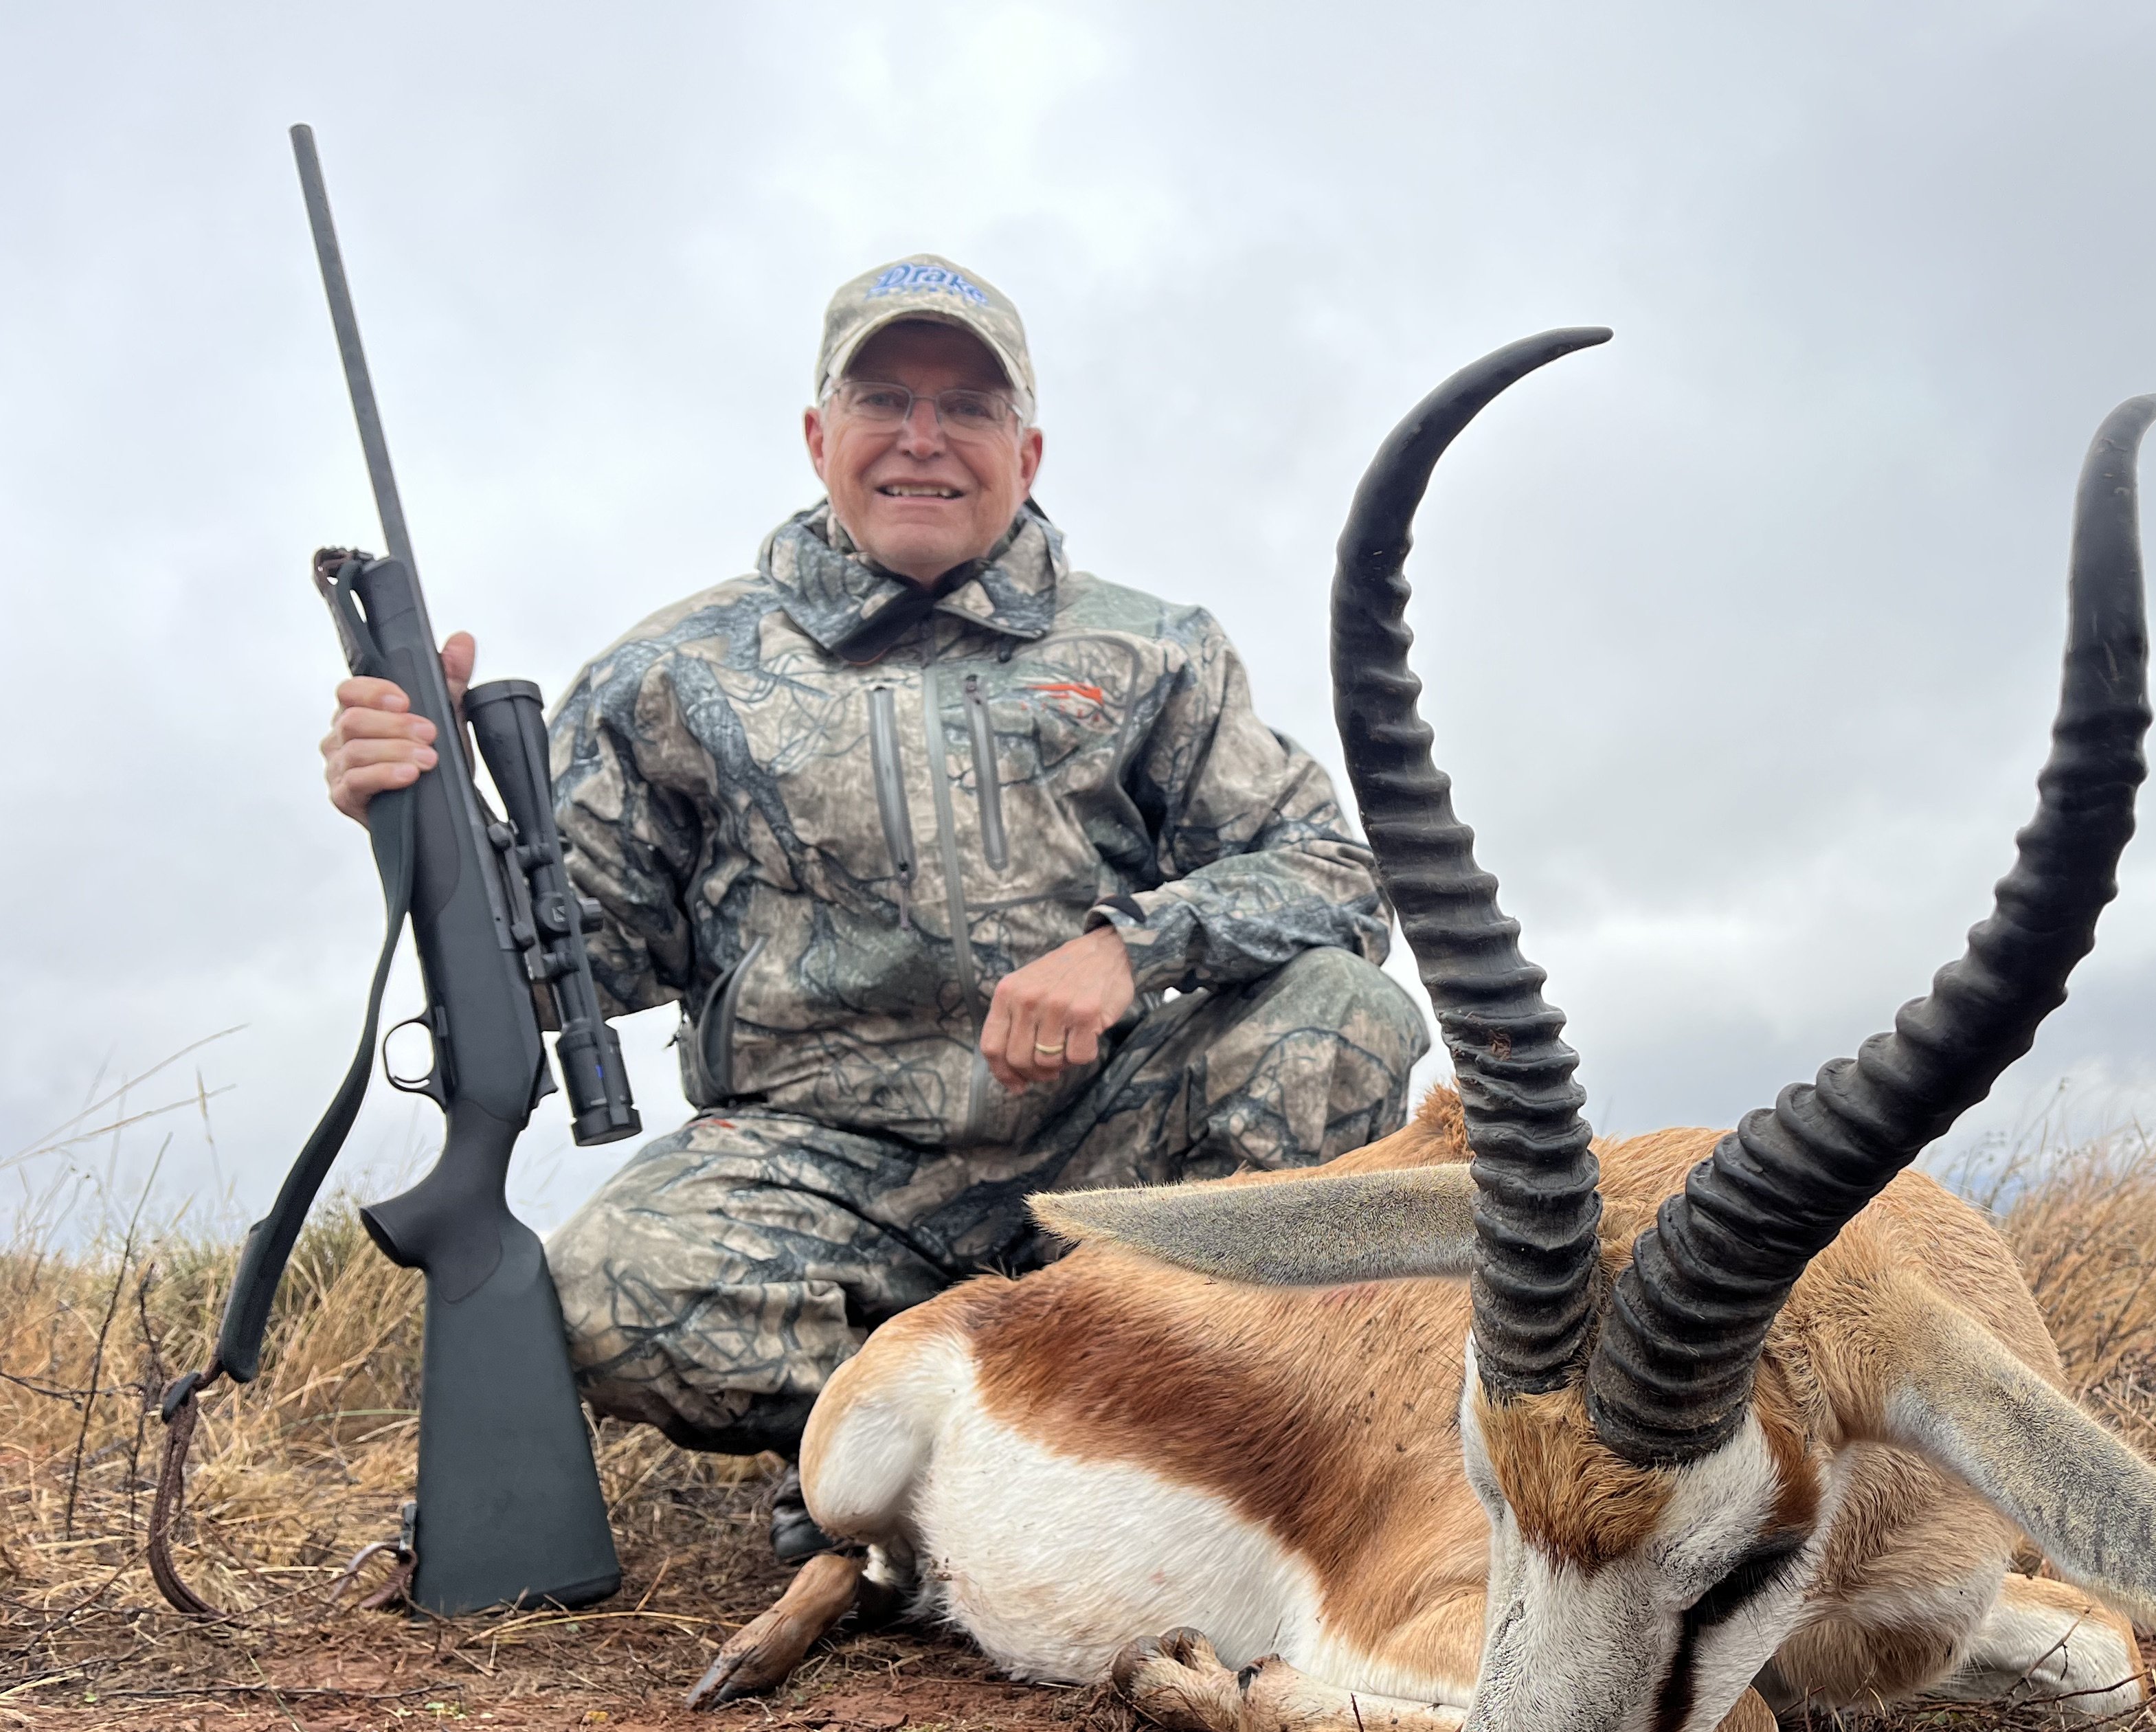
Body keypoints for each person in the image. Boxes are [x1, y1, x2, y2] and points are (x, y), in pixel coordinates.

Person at [321, 254, 1430, 1555]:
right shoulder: (668, 670)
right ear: (817, 436)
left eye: (966, 408)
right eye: (883, 399)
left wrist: (1132, 950)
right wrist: (415, 818)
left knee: (1345, 1015)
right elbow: (584, 960)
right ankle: (1039, 1439)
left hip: (1109, 1169)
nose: (923, 440)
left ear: (1027, 448)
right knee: (599, 1293)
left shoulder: (1156, 649)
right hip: (817, 1178)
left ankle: (954, 1449)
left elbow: (1337, 878)